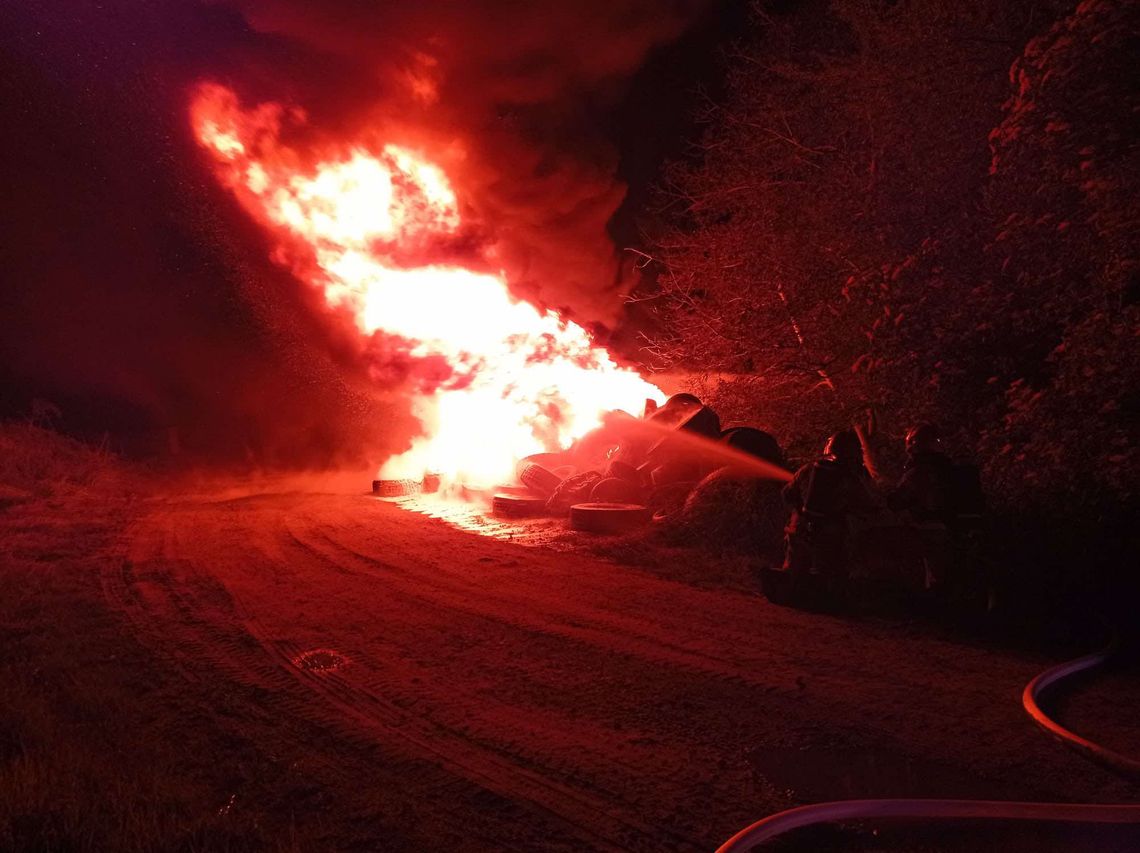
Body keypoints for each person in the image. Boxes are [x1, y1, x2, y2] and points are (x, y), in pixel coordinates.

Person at [781, 430, 879, 601]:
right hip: (831, 534)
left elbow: (786, 494)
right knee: (831, 575)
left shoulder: (808, 469)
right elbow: (868, 507)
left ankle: (790, 596)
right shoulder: (850, 477)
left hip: (799, 530)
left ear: (829, 447)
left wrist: (801, 513)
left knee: (792, 573)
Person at [887, 425, 957, 599]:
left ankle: (913, 598)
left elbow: (897, 501)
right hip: (950, 525)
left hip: (925, 527)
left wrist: (887, 495)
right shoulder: (947, 468)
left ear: (913, 445)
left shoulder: (919, 471)